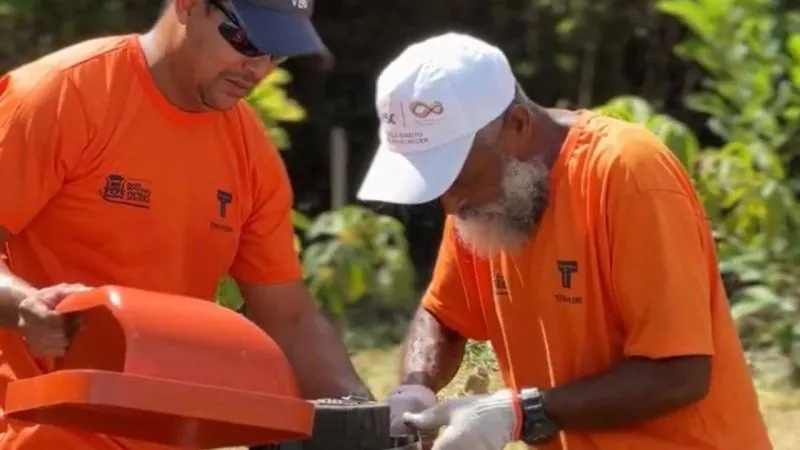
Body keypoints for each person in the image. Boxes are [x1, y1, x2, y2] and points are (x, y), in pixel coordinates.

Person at [362, 33, 772, 450]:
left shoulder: (627, 173)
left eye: (459, 179)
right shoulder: (483, 200)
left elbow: (680, 373)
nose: (449, 207)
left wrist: (522, 413)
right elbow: (444, 315)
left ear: (517, 125)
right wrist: (414, 391)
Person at [0, 0, 371, 448]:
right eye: (246, 40)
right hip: (32, 430)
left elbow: (289, 320)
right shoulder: (63, 94)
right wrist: (24, 304)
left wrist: (366, 418)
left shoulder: (250, 153)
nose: (258, 68)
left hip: (166, 434)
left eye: (277, 53)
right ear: (188, 6)